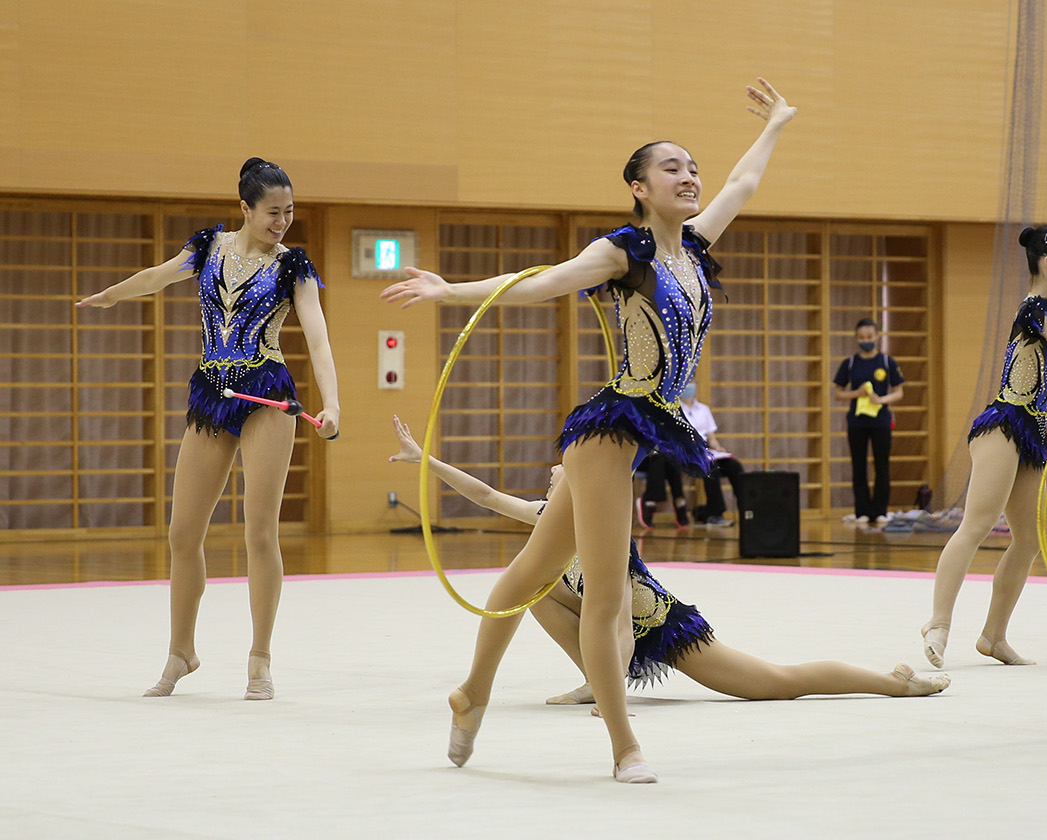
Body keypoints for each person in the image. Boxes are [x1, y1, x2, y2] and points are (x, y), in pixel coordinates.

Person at [380, 79, 795, 783]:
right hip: (613, 427)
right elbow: (541, 282)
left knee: (533, 571)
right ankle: (624, 748)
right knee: (604, 596)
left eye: (693, 167)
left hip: (643, 427)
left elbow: (745, 181)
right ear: (638, 186)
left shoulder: (693, 246)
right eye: (672, 168)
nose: (691, 177)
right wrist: (452, 291)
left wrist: (778, 123)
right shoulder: (623, 251)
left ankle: (471, 694)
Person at [388, 416, 950, 705]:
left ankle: (894, 683)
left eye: (562, 474)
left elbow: (616, 607)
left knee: (779, 683)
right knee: (526, 584)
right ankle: (592, 676)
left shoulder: (608, 519)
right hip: (615, 633)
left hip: (664, 630)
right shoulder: (548, 522)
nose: (555, 477)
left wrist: (614, 696)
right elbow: (486, 496)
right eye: (557, 476)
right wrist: (425, 461)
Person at [78, 158, 341, 701]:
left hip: (266, 395)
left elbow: (316, 336)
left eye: (289, 213)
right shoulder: (208, 247)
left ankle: (260, 659)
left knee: (259, 531)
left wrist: (332, 402)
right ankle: (182, 652)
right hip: (212, 393)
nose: (282, 222)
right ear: (244, 209)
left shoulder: (294, 267)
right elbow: (156, 277)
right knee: (182, 534)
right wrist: (113, 294)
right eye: (273, 213)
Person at [920, 225, 1047, 668]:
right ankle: (938, 622)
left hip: (1031, 430)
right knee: (977, 525)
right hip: (1004, 424)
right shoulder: (1037, 310)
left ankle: (994, 636)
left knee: (1028, 540)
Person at [833, 318, 904, 526]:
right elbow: (838, 393)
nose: (866, 341)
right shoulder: (850, 363)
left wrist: (881, 400)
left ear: (877, 337)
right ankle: (862, 511)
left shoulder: (886, 362)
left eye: (870, 337)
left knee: (882, 465)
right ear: (856, 338)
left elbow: (899, 392)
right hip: (857, 421)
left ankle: (880, 510)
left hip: (881, 421)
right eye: (862, 338)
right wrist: (857, 393)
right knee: (859, 465)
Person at [679, 380, 744, 526]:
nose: (689, 386)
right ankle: (715, 514)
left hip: (706, 448)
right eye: (686, 383)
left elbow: (712, 438)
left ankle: (746, 510)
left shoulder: (703, 409)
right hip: (687, 449)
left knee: (734, 466)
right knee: (711, 467)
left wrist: (718, 448)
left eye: (692, 383)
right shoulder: (675, 409)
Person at [637, 453, 690, 529]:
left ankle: (650, 501)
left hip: (663, 459)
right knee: (659, 458)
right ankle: (679, 501)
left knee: (670, 459)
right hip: (644, 459)